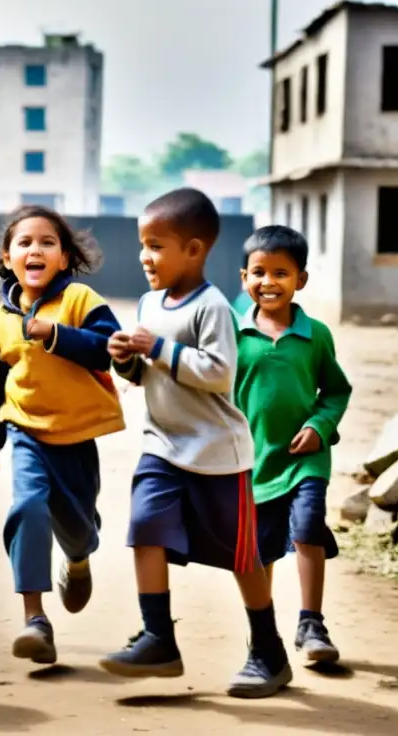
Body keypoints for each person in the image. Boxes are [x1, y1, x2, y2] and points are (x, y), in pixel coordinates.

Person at [101, 188, 292, 698]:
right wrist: (126, 359)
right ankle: (158, 637)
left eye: (157, 245)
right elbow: (146, 376)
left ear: (194, 249)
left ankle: (268, 650)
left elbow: (217, 372)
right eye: (143, 244)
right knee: (144, 528)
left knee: (242, 558)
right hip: (162, 444)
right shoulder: (147, 302)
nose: (145, 256)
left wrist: (158, 347)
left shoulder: (213, 308)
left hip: (217, 455)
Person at [0, 205, 125, 665]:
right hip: (25, 432)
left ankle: (78, 559)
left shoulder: (80, 300)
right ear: (7, 257)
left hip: (77, 435)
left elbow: (107, 351)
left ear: (63, 257)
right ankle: (35, 619)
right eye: (24, 242)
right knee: (28, 507)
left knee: (77, 529)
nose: (35, 249)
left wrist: (54, 333)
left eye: (47, 242)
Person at [234, 224, 352, 664]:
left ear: (300, 279)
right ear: (244, 277)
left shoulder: (315, 335)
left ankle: (311, 623)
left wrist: (320, 426)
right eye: (259, 272)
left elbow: (336, 391)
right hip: (252, 461)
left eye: (281, 273)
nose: (269, 282)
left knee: (306, 527)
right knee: (260, 548)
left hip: (306, 459)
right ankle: (262, 631)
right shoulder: (233, 333)